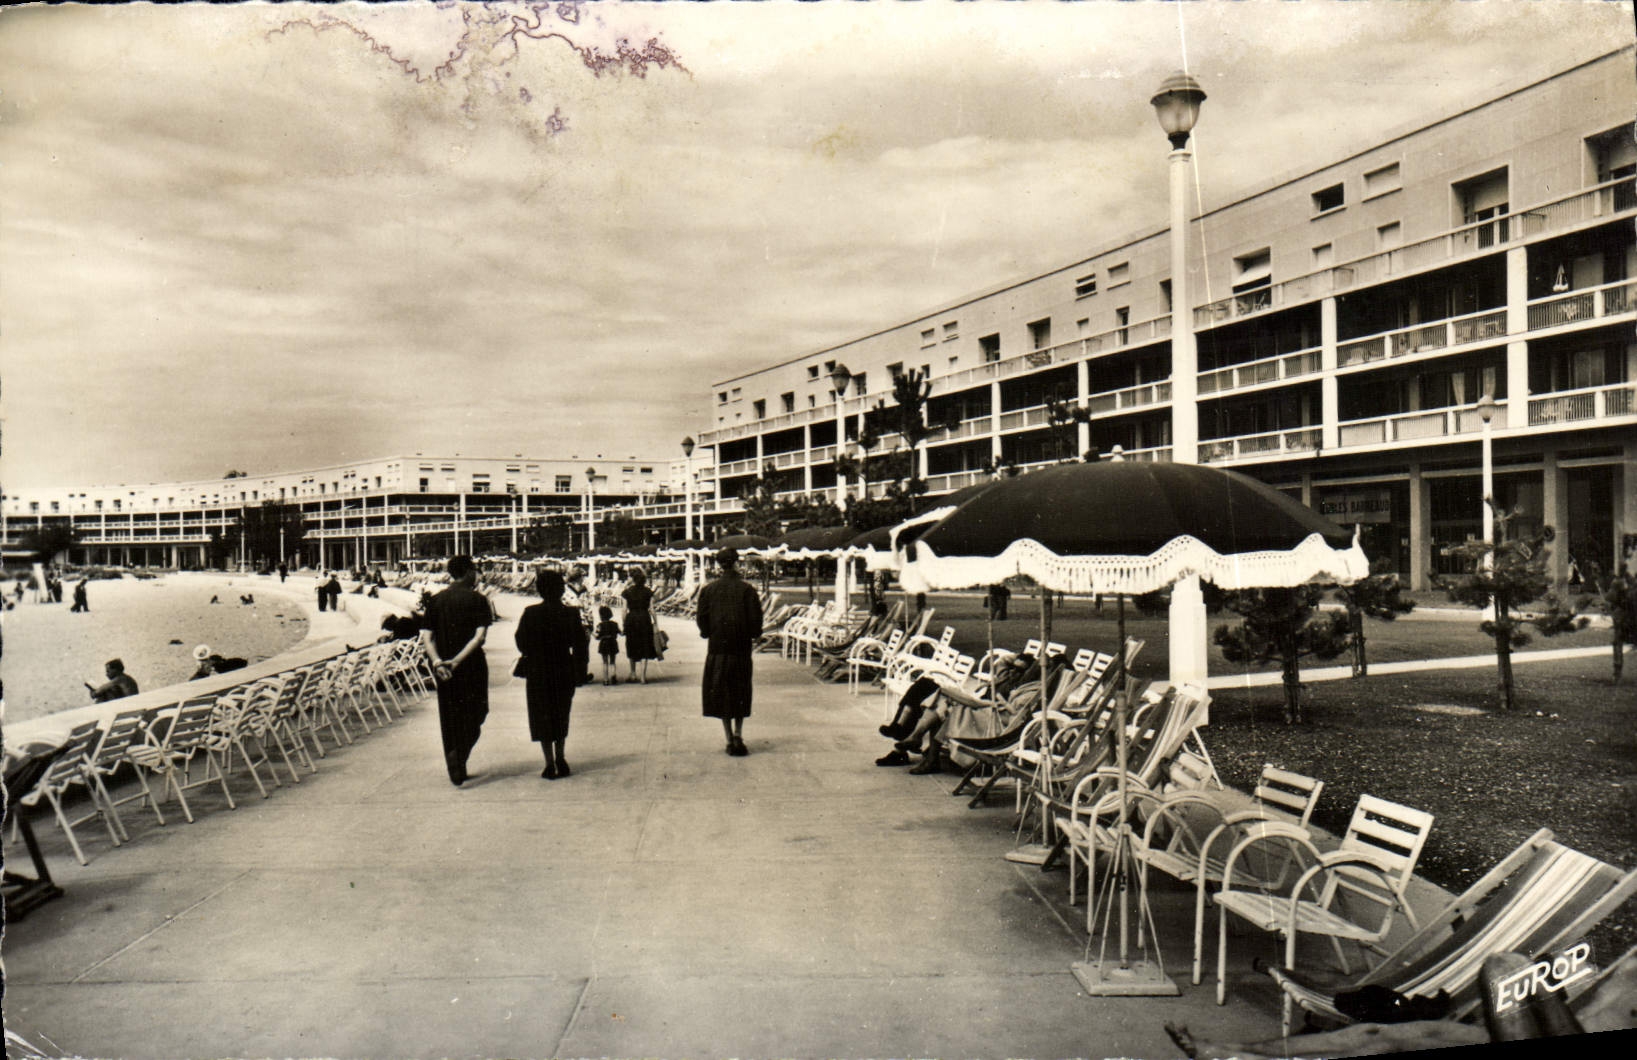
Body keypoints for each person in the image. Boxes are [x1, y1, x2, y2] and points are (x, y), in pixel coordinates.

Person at [418, 555, 493, 787]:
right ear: (469, 572)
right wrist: (457, 661)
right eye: (475, 571)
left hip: (443, 670)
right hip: (471, 666)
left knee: (450, 716)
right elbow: (479, 637)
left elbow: (426, 638)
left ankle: (455, 756)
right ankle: (460, 755)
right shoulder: (478, 600)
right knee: (477, 712)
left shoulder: (435, 601)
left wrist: (438, 662)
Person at [515, 569, 590, 779]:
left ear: (539, 590)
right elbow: (580, 645)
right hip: (563, 669)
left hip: (538, 670)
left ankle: (548, 762)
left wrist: (533, 652)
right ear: (561, 589)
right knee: (561, 713)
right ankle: (561, 757)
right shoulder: (570, 613)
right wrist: (579, 672)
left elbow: (520, 641)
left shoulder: (530, 613)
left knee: (541, 715)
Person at [697, 546, 764, 756]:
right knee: (739, 691)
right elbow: (756, 624)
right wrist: (752, 632)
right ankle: (738, 734)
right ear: (736, 563)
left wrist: (709, 632)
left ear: (719, 565)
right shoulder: (747, 590)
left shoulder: (708, 590)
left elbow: (702, 621)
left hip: (718, 649)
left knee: (721, 691)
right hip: (741, 649)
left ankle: (728, 737)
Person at [621, 568, 660, 684]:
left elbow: (624, 610)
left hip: (631, 619)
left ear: (633, 579)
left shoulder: (626, 592)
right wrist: (656, 623)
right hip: (644, 618)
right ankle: (643, 676)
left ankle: (633, 674)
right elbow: (652, 610)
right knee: (644, 645)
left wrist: (624, 624)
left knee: (631, 644)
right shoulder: (648, 592)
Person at [594, 606, 622, 686]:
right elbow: (621, 633)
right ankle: (613, 677)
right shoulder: (615, 624)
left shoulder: (600, 625)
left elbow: (597, 636)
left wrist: (590, 632)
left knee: (605, 661)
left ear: (601, 616)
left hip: (604, 643)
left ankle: (605, 679)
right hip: (613, 642)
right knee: (612, 661)